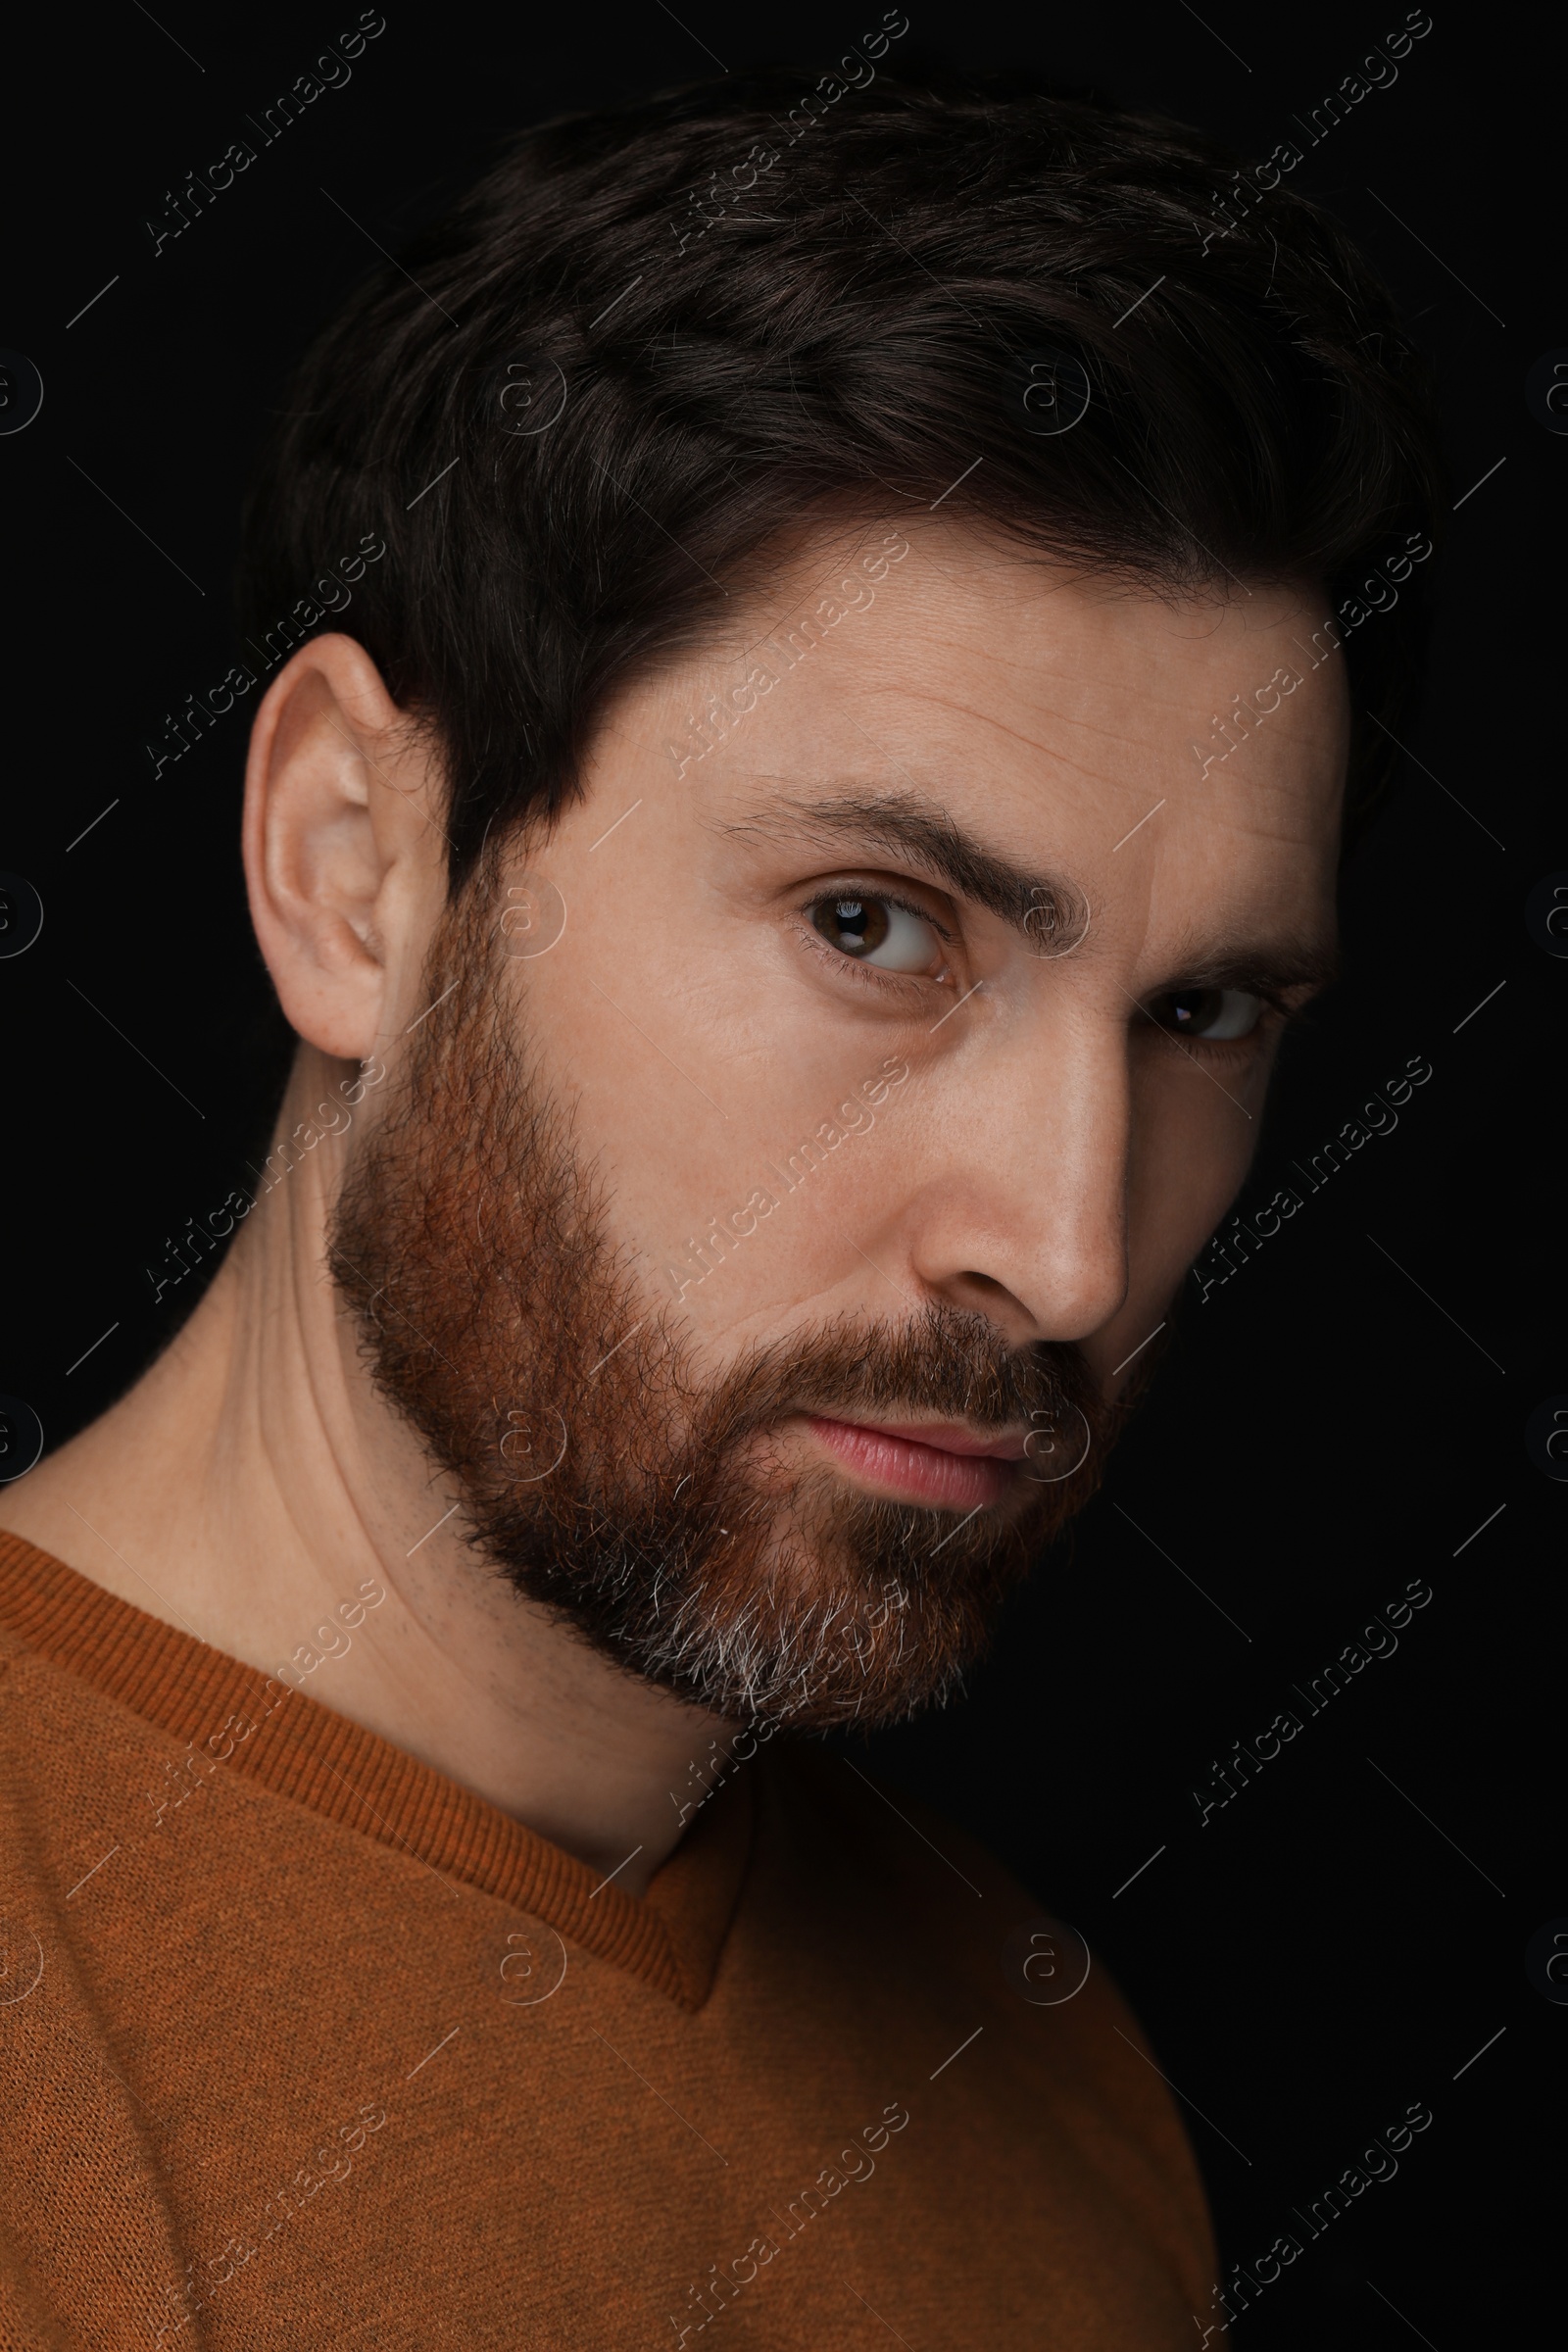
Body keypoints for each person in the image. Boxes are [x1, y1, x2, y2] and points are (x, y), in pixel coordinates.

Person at [0, 58, 1440, 2349]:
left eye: (1197, 1018)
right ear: (356, 873)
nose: (1065, 1255)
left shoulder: (1039, 2074)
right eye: (873, 925)